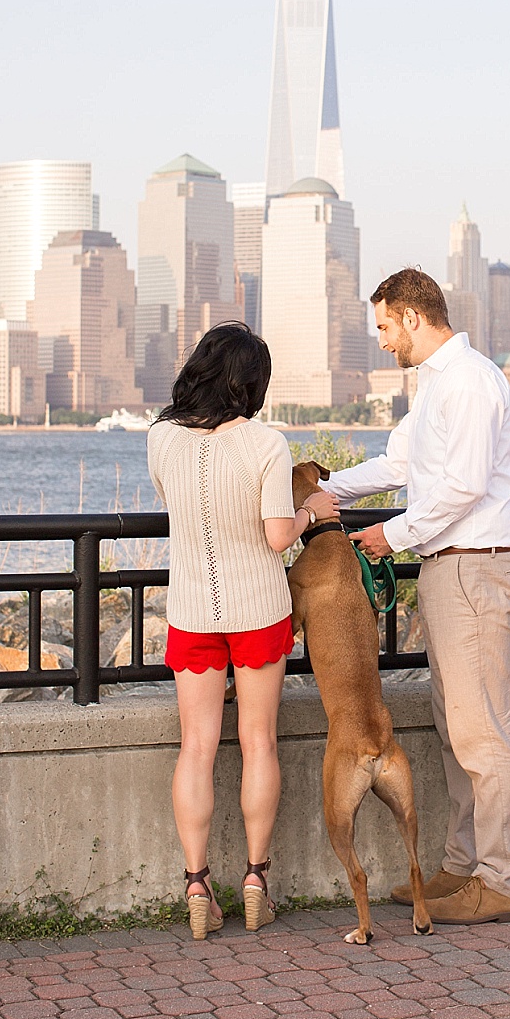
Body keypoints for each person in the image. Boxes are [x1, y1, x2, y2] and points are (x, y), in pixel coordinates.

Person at [326, 269, 510, 925]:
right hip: (452, 569)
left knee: (484, 737)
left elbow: (464, 487)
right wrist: (325, 495)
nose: (383, 341)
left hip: (475, 568)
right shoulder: (439, 383)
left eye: (385, 326)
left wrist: (393, 533)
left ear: (413, 317)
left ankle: (502, 882)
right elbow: (399, 467)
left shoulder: (469, 382)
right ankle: (463, 865)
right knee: (457, 729)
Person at [147, 322, 338, 939]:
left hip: (193, 610)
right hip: (258, 607)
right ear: (253, 383)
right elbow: (279, 536)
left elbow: (176, 506)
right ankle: (256, 877)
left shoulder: (160, 439)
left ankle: (197, 883)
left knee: (196, 748)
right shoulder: (267, 443)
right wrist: (315, 511)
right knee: (259, 742)